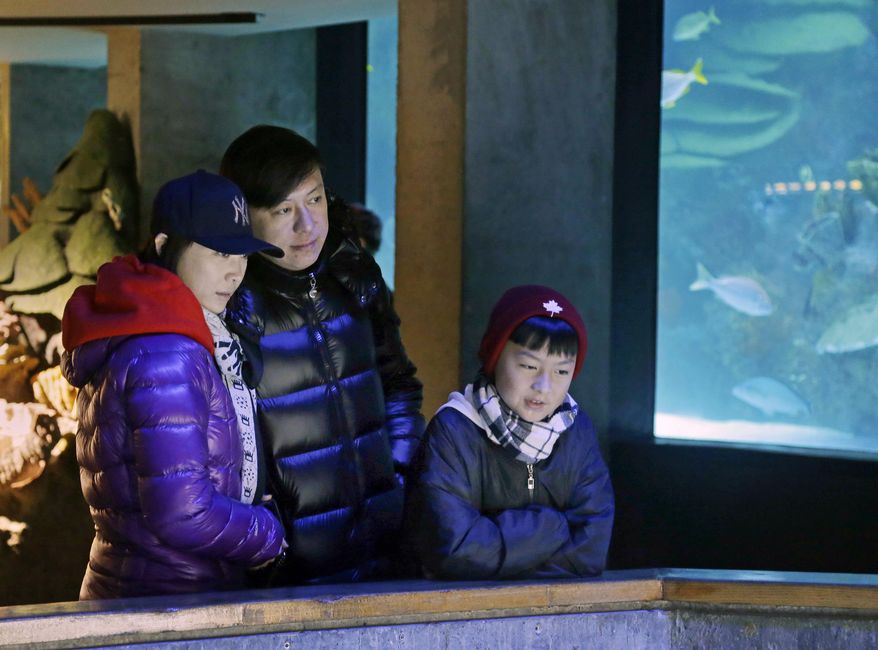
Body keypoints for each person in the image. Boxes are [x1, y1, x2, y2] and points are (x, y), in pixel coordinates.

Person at [61, 170, 287, 599]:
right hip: (169, 601)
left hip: (145, 585)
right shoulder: (166, 350)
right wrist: (267, 534)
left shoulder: (146, 325)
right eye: (220, 253)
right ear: (165, 246)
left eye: (242, 255)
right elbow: (182, 512)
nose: (235, 272)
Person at [220, 126, 425, 584]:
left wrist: (398, 476)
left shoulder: (354, 273)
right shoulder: (232, 307)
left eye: (313, 200)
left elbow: (400, 384)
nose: (306, 225)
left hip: (386, 552)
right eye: (282, 210)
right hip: (290, 574)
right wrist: (269, 538)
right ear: (243, 216)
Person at [404, 285, 614, 579]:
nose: (544, 386)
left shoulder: (576, 430)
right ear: (495, 357)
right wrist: (554, 527)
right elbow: (454, 550)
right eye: (529, 366)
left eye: (561, 371)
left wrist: (499, 552)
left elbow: (591, 551)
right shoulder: (454, 431)